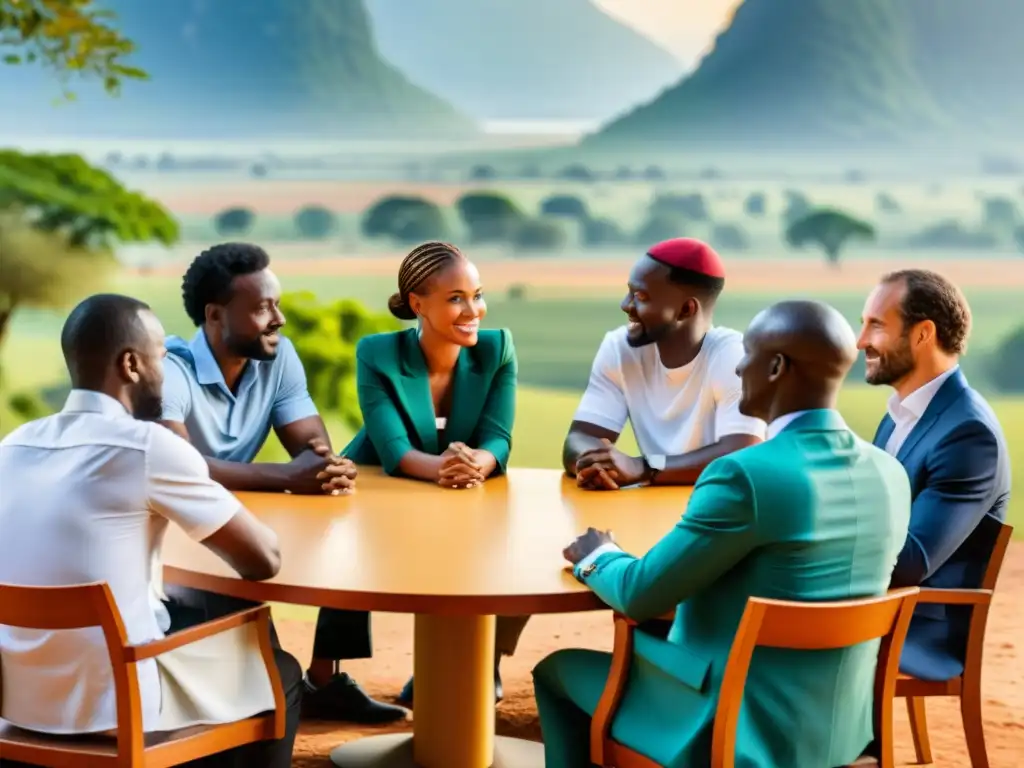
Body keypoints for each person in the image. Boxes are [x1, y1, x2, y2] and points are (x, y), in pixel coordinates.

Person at [533, 300, 913, 768]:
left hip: (729, 726)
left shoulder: (744, 475)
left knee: (557, 672)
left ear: (775, 367)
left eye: (748, 353)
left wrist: (598, 554)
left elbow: (639, 595)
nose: (738, 365)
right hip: (838, 730)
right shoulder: (890, 473)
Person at [0, 294, 301, 768]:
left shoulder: (12, 446)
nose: (166, 372)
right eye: (162, 357)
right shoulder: (147, 446)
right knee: (276, 666)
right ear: (131, 364)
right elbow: (263, 561)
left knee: (177, 610)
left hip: (19, 700)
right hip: (115, 704)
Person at [159, 243, 404, 724]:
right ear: (214, 315)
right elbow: (173, 464)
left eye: (277, 304)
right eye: (262, 308)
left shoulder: (277, 357)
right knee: (261, 674)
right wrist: (286, 477)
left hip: (235, 518)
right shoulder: (170, 371)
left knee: (343, 532)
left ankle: (325, 679)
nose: (280, 319)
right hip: (175, 537)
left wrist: (325, 467)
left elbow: (311, 443)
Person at [343, 240, 526, 706]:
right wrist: (446, 469)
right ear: (417, 305)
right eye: (456, 298)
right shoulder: (377, 353)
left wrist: (476, 466)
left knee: (501, 553)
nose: (473, 310)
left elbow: (498, 438)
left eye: (477, 294)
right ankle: (325, 678)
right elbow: (394, 450)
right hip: (385, 479)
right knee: (350, 546)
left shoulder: (498, 349)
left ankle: (486, 662)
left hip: (466, 482)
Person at [858, 269, 1010, 682]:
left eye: (875, 325)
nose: (861, 342)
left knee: (773, 629)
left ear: (923, 333)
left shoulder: (968, 433)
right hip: (883, 602)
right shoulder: (899, 415)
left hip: (919, 627)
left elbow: (911, 562)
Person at [562, 238, 765, 491]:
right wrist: (596, 464)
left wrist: (645, 467)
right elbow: (579, 437)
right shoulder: (619, 348)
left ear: (685, 310)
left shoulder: (732, 356)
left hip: (725, 513)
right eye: (629, 292)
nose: (626, 305)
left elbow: (743, 456)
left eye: (640, 296)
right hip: (654, 509)